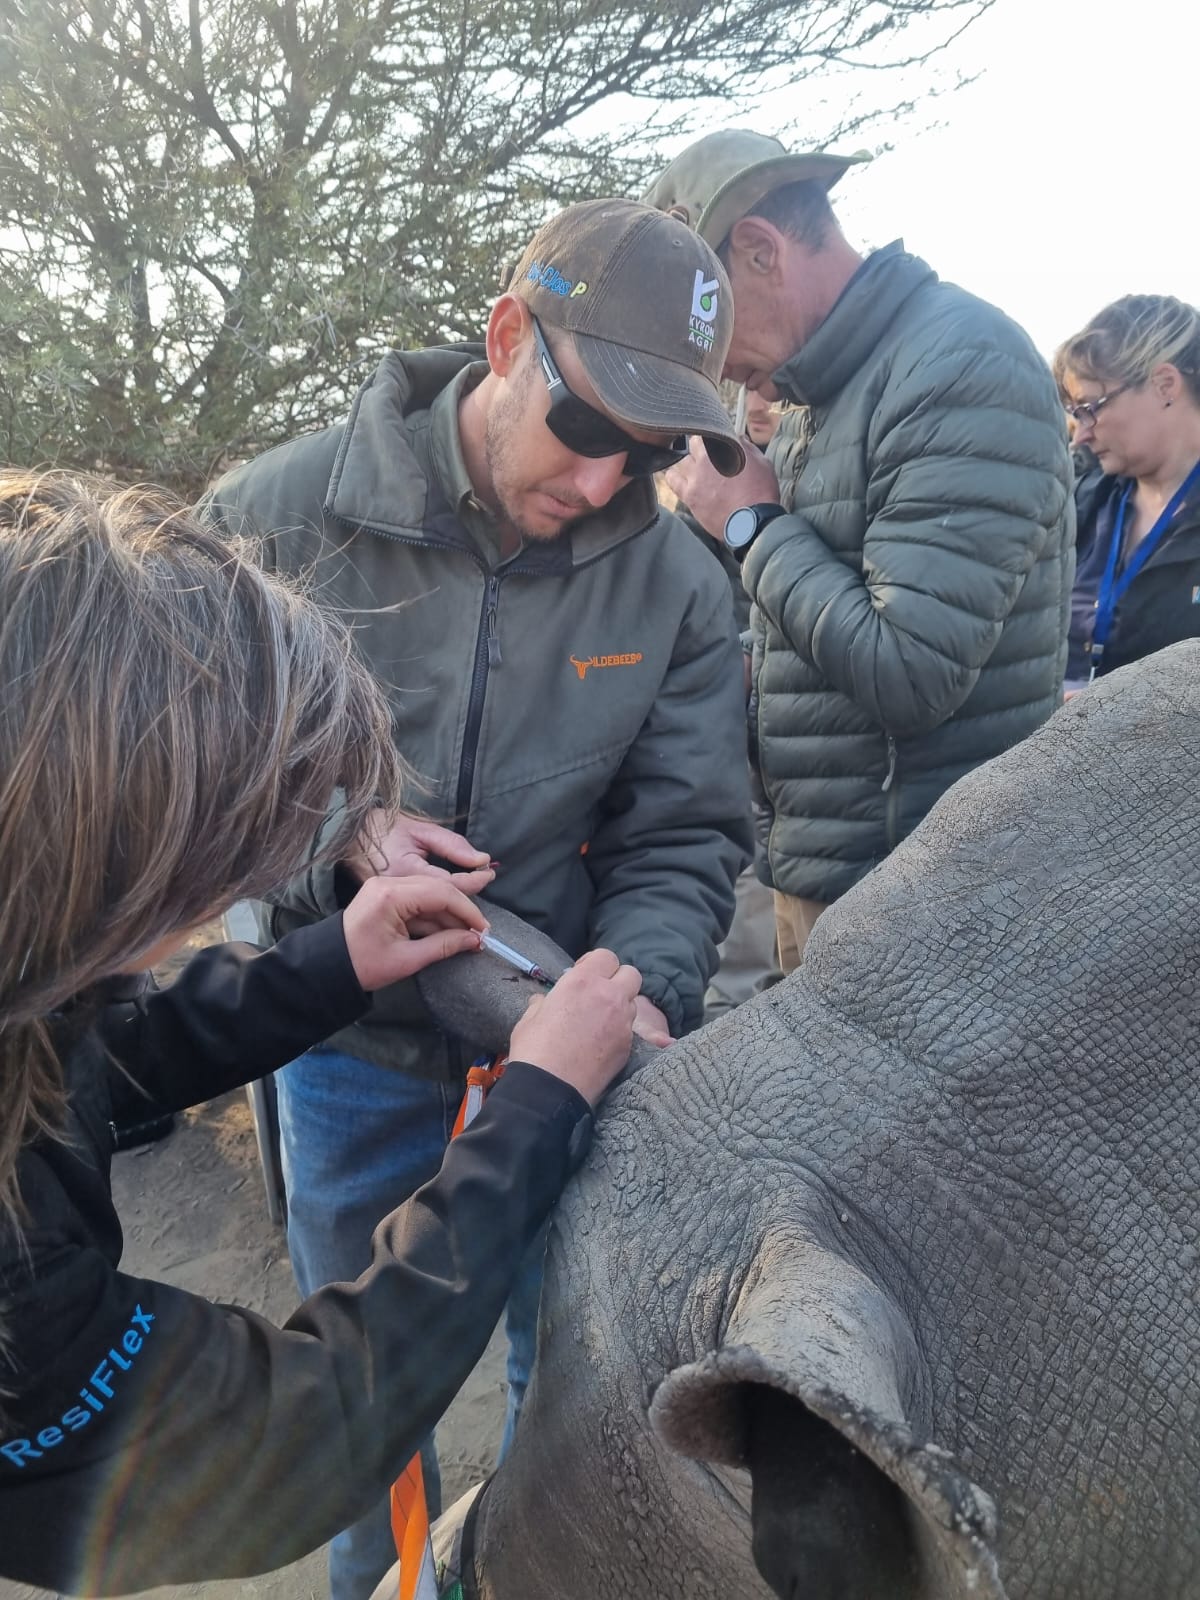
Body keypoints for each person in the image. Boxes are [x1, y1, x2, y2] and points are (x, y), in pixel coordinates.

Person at [204, 198, 753, 1596]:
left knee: (563, 1382)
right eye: (589, 431)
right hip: (345, 1049)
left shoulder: (682, 586)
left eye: (654, 456)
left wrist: (620, 998)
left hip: (564, 1062)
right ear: (510, 338)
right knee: (357, 1395)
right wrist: (341, 830)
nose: (607, 483)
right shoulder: (275, 516)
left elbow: (684, 838)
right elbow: (186, 777)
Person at [0, 472, 640, 1597]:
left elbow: (84, 1054)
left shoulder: (25, 981)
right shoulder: (15, 1295)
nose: (207, 910)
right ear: (84, 866)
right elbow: (290, 1438)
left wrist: (328, 964)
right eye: (199, 883)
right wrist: (532, 1113)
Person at [645, 129, 1074, 971]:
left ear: (760, 251)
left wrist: (749, 524)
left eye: (707, 330)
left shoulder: (959, 362)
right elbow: (822, 623)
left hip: (924, 907)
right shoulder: (824, 390)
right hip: (844, 878)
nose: (713, 369)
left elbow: (912, 669)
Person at [1053, 294, 1200, 691]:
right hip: (1057, 747)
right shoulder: (1080, 503)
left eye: (1090, 407)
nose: (1081, 433)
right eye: (1074, 414)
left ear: (1165, 385)